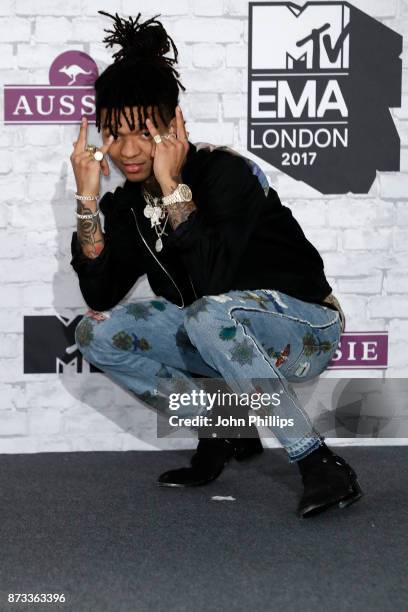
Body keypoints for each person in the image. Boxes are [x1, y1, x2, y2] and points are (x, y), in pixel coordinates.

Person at [70, 10, 363, 518]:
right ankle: (225, 427)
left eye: (145, 130)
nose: (130, 149)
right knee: (95, 333)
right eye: (115, 134)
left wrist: (172, 187)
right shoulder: (125, 206)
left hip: (303, 328)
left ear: (174, 124)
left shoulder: (226, 173)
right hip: (218, 335)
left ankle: (319, 464)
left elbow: (213, 281)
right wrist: (87, 199)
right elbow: (100, 293)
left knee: (209, 312)